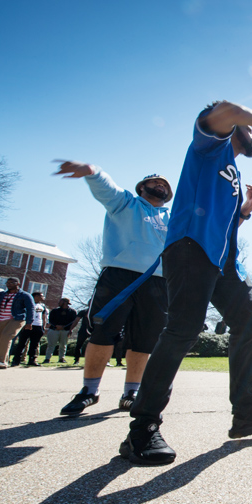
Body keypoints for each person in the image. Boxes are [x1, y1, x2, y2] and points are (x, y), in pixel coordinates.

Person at [114, 100, 252, 465]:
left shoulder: (232, 172)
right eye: (250, 127)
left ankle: (245, 412)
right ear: (234, 127)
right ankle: (142, 428)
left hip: (220, 259)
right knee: (184, 327)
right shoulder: (209, 147)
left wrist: (246, 208)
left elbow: (224, 224)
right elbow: (227, 107)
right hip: (190, 247)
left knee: (248, 320)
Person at [51, 163, 173, 415]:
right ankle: (89, 391)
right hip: (118, 277)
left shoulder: (173, 218)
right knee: (102, 333)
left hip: (158, 282)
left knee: (144, 340)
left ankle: (131, 392)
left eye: (165, 185)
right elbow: (107, 188)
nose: (160, 185)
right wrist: (91, 171)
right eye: (155, 182)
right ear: (142, 187)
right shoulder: (126, 204)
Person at [0, 278, 35, 368]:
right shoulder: (2, 294)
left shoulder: (25, 295)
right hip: (2, 319)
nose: (9, 284)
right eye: (7, 282)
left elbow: (30, 309)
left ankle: (0, 361)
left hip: (17, 319)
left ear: (18, 283)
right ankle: (2, 361)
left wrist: (29, 322)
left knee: (6, 336)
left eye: (12, 282)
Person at [10, 292, 47, 366]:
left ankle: (32, 360)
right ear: (36, 296)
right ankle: (16, 360)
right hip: (27, 325)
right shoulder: (28, 303)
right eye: (42, 296)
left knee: (34, 344)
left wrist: (43, 326)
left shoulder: (42, 306)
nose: (43, 297)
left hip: (38, 326)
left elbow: (44, 317)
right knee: (22, 344)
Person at [43, 298, 77, 364]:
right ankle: (47, 358)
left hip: (65, 330)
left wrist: (64, 327)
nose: (59, 303)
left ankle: (61, 358)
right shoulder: (55, 311)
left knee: (63, 345)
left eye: (60, 301)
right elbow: (51, 320)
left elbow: (73, 321)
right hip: (54, 330)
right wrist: (56, 326)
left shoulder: (72, 312)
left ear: (65, 302)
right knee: (51, 345)